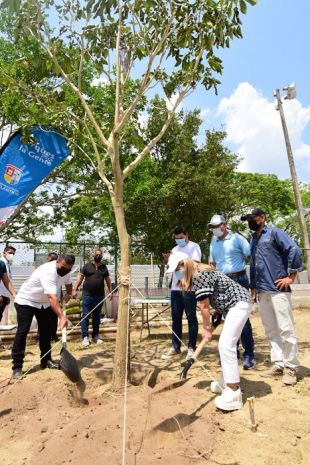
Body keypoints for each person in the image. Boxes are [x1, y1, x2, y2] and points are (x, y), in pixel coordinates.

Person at [166, 251, 252, 411]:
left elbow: (204, 306)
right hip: (232, 305)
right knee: (227, 345)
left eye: (177, 270)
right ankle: (225, 382)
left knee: (226, 344)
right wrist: (218, 313)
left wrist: (206, 329)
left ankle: (233, 392)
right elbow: (219, 292)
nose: (176, 274)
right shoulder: (200, 272)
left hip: (239, 304)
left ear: (184, 265)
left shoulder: (198, 275)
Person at [241, 208, 302, 385]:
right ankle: (278, 363)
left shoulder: (275, 233)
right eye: (248, 219)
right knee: (271, 330)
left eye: (252, 218)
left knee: (286, 329)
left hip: (278, 289)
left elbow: (294, 249)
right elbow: (253, 264)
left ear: (262, 218)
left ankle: (291, 367)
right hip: (262, 290)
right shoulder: (254, 238)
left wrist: (291, 276)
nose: (250, 222)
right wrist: (253, 286)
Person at [11, 254, 75, 379]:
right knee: (23, 331)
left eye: (68, 269)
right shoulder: (48, 271)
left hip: (44, 304)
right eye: (63, 267)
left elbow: (69, 283)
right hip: (26, 301)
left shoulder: (66, 271)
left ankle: (46, 360)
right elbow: (52, 297)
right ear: (57, 262)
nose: (65, 270)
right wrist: (61, 317)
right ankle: (17, 367)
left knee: (46, 332)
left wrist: (68, 293)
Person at [208, 214, 256, 370]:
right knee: (228, 320)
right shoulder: (213, 242)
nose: (214, 230)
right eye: (212, 227)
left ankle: (249, 356)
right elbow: (212, 264)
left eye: (216, 226)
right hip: (222, 282)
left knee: (243, 320)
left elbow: (250, 255)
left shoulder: (237, 239)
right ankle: (232, 354)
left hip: (239, 280)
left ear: (224, 224)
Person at [161, 226, 201, 360]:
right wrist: (168, 261)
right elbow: (171, 266)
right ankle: (175, 346)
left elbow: (196, 264)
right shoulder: (174, 249)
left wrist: (180, 265)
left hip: (189, 288)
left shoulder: (194, 247)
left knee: (191, 318)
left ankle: (191, 347)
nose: (179, 240)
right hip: (175, 289)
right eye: (176, 238)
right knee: (176, 318)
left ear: (186, 235)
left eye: (181, 238)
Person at [73, 248, 112, 348]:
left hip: (99, 295)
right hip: (87, 295)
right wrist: (75, 289)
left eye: (100, 254)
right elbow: (80, 278)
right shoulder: (87, 266)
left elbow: (108, 279)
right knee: (86, 315)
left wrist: (110, 291)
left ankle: (95, 336)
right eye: (97, 254)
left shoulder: (104, 267)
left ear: (102, 256)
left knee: (96, 316)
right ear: (93, 255)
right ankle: (85, 337)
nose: (98, 256)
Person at [0, 246, 17, 324]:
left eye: (13, 253)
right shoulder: (1, 263)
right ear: (4, 253)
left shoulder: (5, 264)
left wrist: (13, 295)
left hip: (4, 296)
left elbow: (6, 281)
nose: (12, 255)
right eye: (10, 253)